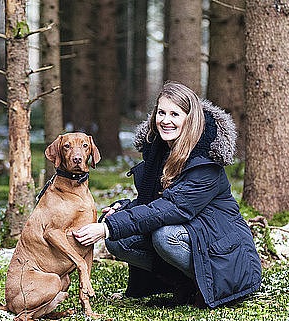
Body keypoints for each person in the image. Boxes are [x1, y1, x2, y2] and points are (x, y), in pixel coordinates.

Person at [73, 81, 261, 308]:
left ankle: (205, 286)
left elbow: (173, 208)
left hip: (226, 257)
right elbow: (155, 203)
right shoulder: (160, 150)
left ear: (189, 119)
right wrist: (123, 210)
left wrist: (106, 228)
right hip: (193, 234)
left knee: (164, 236)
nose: (165, 120)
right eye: (161, 112)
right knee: (117, 240)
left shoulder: (205, 162)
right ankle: (181, 284)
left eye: (175, 114)